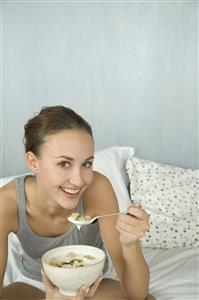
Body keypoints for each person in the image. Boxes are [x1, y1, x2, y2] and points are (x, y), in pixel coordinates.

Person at [1, 105, 154, 300]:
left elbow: (137, 294)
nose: (79, 180)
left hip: (90, 285)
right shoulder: (6, 203)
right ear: (33, 162)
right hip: (34, 287)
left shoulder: (97, 188)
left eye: (86, 164)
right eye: (64, 164)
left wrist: (131, 244)